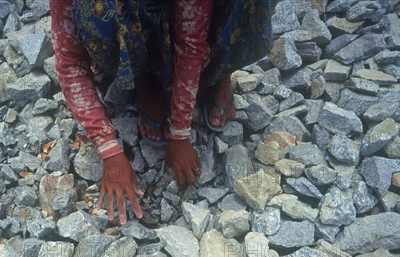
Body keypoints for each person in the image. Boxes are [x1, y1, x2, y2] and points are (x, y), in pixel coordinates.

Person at [50, 0, 272, 225]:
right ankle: (144, 76)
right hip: (142, 24)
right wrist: (108, 147)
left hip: (195, 16)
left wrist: (180, 132)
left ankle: (219, 69)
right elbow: (70, 61)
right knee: (95, 11)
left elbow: (191, 40)